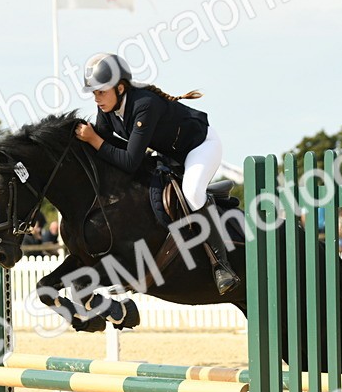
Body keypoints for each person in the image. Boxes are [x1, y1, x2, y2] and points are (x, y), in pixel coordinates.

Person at [73, 53, 239, 295]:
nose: (96, 98)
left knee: (192, 193)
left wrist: (94, 139)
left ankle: (221, 265)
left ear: (120, 88)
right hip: (169, 154)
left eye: (101, 92)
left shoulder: (144, 105)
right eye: (94, 93)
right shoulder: (107, 110)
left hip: (200, 147)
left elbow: (128, 160)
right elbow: (108, 150)